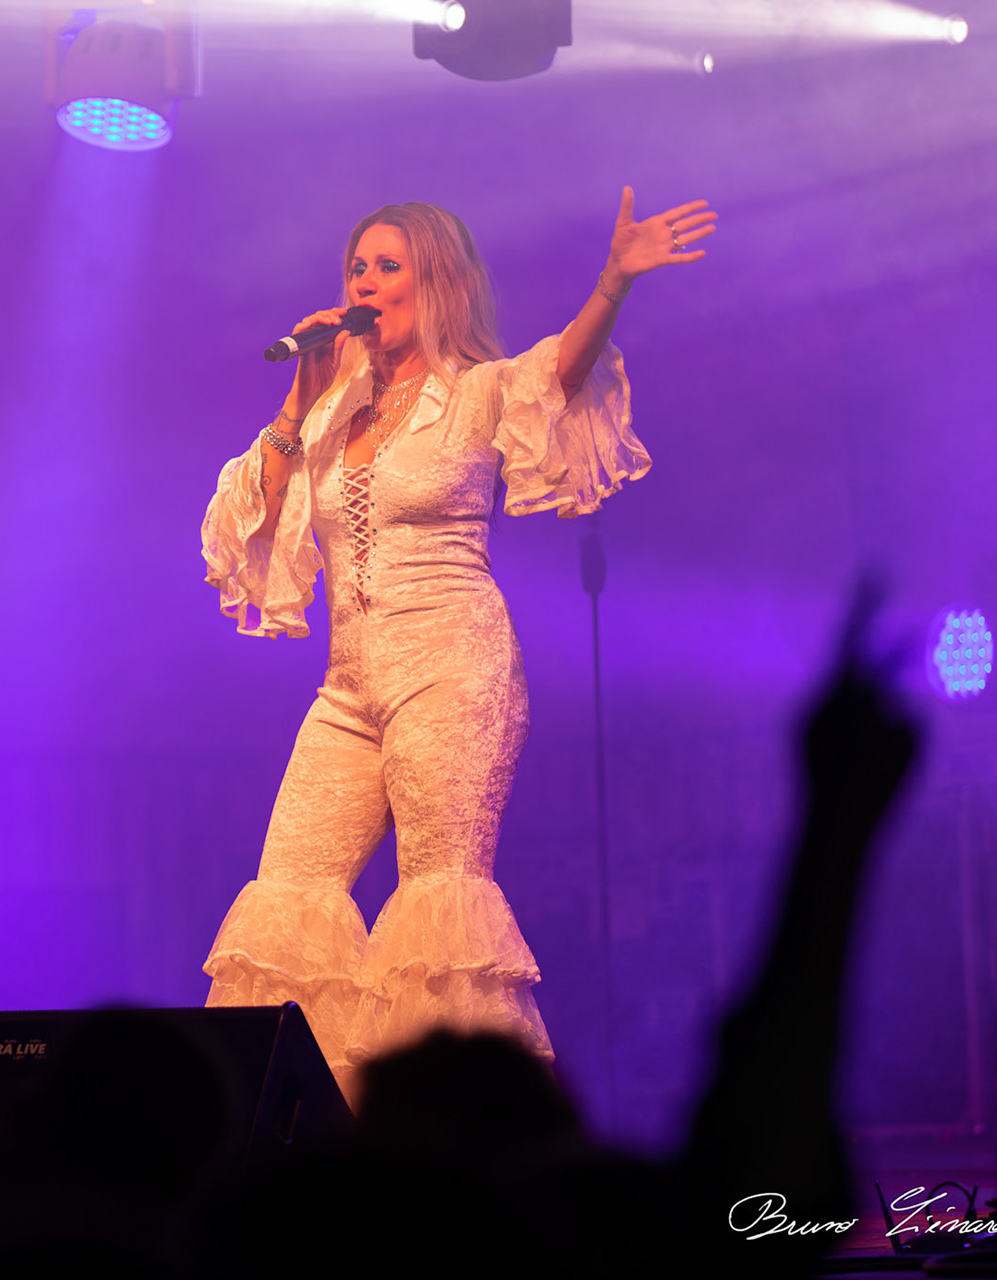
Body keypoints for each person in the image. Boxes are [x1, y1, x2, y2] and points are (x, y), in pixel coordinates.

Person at [199, 192, 715, 1093]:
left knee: (437, 903)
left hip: (453, 667)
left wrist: (613, 283)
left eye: (387, 266)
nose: (366, 282)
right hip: (347, 691)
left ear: (434, 283)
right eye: (357, 266)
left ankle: (454, 1141)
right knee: (287, 895)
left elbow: (562, 368)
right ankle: (315, 1136)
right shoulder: (328, 414)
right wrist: (301, 390)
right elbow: (254, 509)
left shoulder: (475, 392)